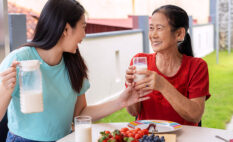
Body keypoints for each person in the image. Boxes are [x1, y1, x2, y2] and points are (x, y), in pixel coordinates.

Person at [0, 0, 150, 141]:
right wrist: (5, 90)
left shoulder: (73, 63)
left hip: (66, 139)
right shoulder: (19, 60)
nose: (84, 35)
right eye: (83, 27)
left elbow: (79, 114)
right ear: (66, 29)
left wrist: (121, 101)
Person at [125, 5, 210, 126]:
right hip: (148, 136)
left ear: (179, 34)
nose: (153, 35)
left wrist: (163, 86)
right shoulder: (139, 61)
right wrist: (131, 89)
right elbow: (134, 112)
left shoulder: (196, 66)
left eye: (159, 28)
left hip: (184, 137)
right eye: (151, 28)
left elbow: (195, 115)